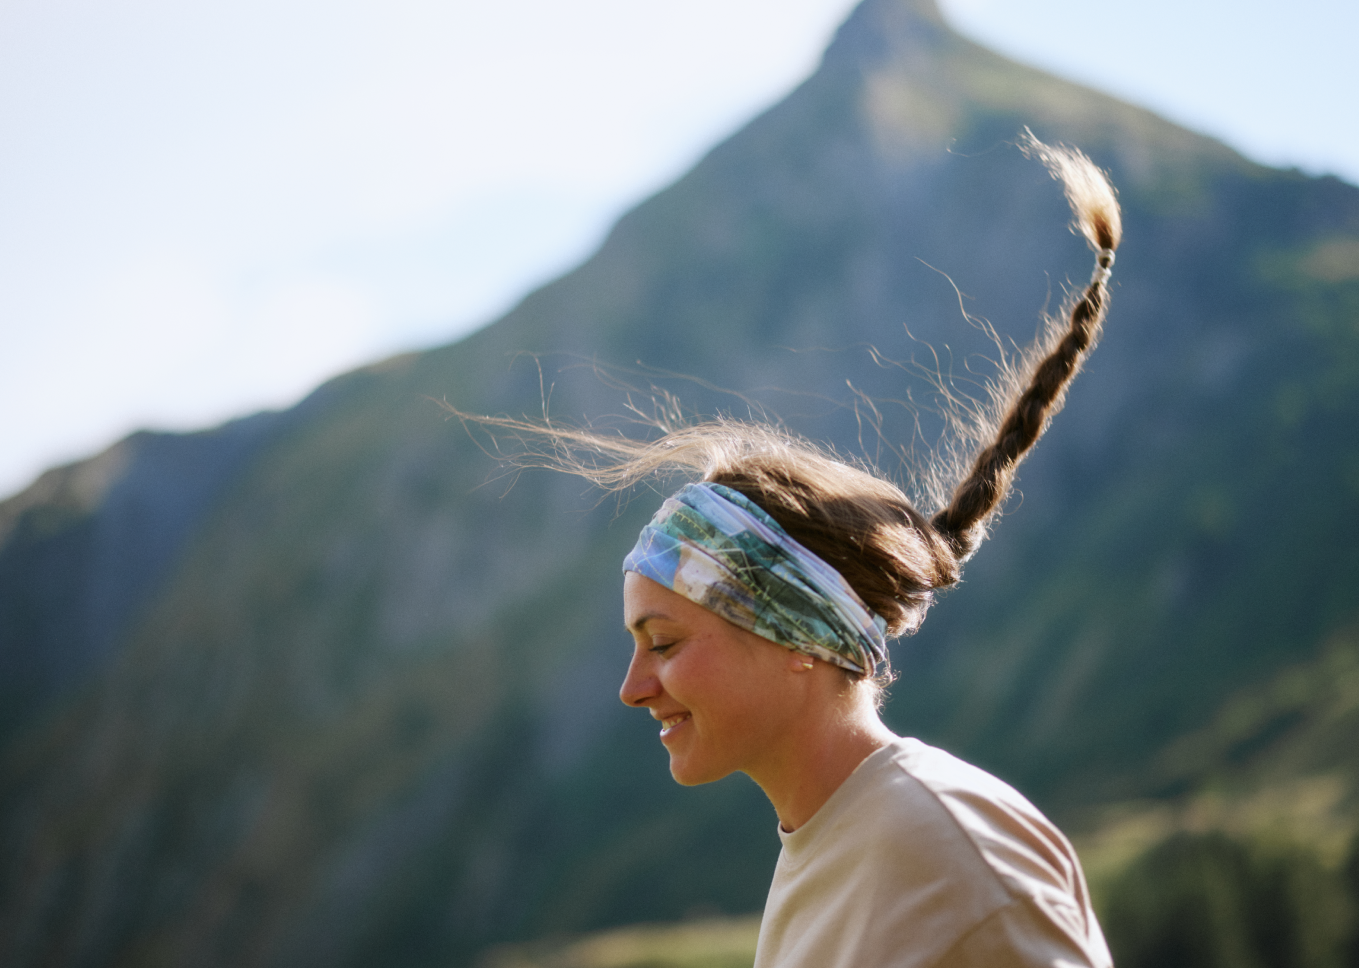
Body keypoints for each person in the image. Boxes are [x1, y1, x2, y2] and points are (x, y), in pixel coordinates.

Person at [468, 133, 1120, 968]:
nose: (632, 690)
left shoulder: (946, 848)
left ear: (800, 639)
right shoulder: (834, 842)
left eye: (663, 643)